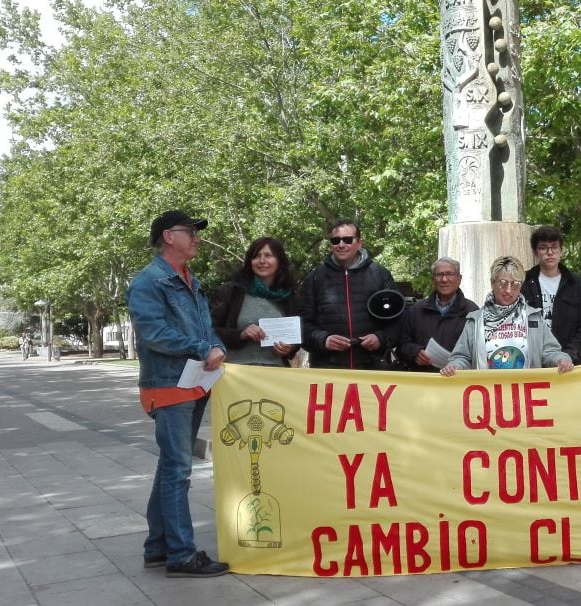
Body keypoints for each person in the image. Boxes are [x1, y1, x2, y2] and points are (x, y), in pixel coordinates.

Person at [126, 209, 229, 578]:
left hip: (194, 383)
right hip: (168, 387)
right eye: (191, 232)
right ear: (169, 237)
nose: (197, 238)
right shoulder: (148, 282)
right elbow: (153, 333)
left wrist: (216, 346)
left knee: (170, 468)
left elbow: (207, 327)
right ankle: (181, 555)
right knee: (177, 471)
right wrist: (204, 349)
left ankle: (157, 547)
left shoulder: (190, 279)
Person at [442, 256, 574, 375]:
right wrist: (455, 366)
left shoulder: (533, 317)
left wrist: (561, 359)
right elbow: (462, 357)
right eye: (503, 283)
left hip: (526, 394)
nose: (508, 290)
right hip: (487, 395)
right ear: (492, 283)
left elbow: (550, 352)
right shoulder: (475, 320)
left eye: (515, 284)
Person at [298, 218, 400, 369]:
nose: (341, 245)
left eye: (347, 240)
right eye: (335, 240)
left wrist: (381, 339)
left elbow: (399, 318)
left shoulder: (379, 274)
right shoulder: (314, 278)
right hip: (328, 369)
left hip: (372, 368)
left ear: (359, 243)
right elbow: (301, 324)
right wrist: (323, 340)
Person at [210, 237, 299, 366]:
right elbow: (208, 331)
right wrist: (241, 334)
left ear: (279, 261)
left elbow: (297, 337)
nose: (262, 261)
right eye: (256, 256)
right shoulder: (230, 292)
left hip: (276, 375)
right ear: (249, 262)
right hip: (234, 374)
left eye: (268, 255)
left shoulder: (289, 297)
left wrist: (289, 348)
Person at [520, 226, 581, 365]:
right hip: (531, 364)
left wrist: (567, 356)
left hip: (568, 367)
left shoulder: (577, 285)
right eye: (543, 248)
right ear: (535, 252)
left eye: (554, 247)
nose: (549, 252)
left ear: (561, 250)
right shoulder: (523, 283)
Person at [396, 257, 478, 372]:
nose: (444, 279)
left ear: (459, 278)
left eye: (449, 274)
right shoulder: (416, 310)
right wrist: (415, 352)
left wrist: (458, 363)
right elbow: (401, 344)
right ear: (433, 279)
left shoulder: (472, 311)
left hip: (456, 382)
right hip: (423, 381)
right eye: (439, 275)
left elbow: (477, 350)